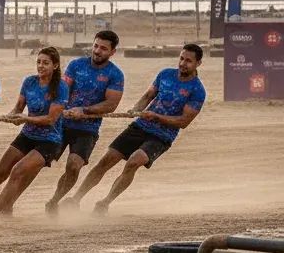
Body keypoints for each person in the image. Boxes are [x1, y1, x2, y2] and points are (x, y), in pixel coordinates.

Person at [67, 44, 206, 214]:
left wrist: (156, 116)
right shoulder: (165, 74)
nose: (183, 63)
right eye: (182, 58)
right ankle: (76, 199)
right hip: (140, 126)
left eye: (188, 61)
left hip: (162, 136)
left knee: (133, 161)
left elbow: (184, 121)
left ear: (198, 63)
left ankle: (105, 202)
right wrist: (136, 109)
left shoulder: (198, 91)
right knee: (106, 161)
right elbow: (148, 96)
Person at [0, 46, 69, 223]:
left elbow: (51, 119)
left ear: (56, 65)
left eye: (46, 63)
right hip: (27, 135)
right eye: (38, 62)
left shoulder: (61, 87)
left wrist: (25, 118)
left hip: (50, 140)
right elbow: (19, 108)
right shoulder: (29, 82)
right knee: (0, 172)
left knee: (17, 171)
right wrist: (12, 116)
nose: (41, 66)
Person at [45, 30, 125, 215]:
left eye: (103, 48)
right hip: (62, 124)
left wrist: (85, 111)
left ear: (112, 52)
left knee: (73, 166)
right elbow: (63, 90)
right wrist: (63, 109)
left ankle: (54, 201)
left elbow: (111, 104)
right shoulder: (76, 65)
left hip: (87, 129)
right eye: (96, 46)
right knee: (36, 161)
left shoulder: (115, 74)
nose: (97, 51)